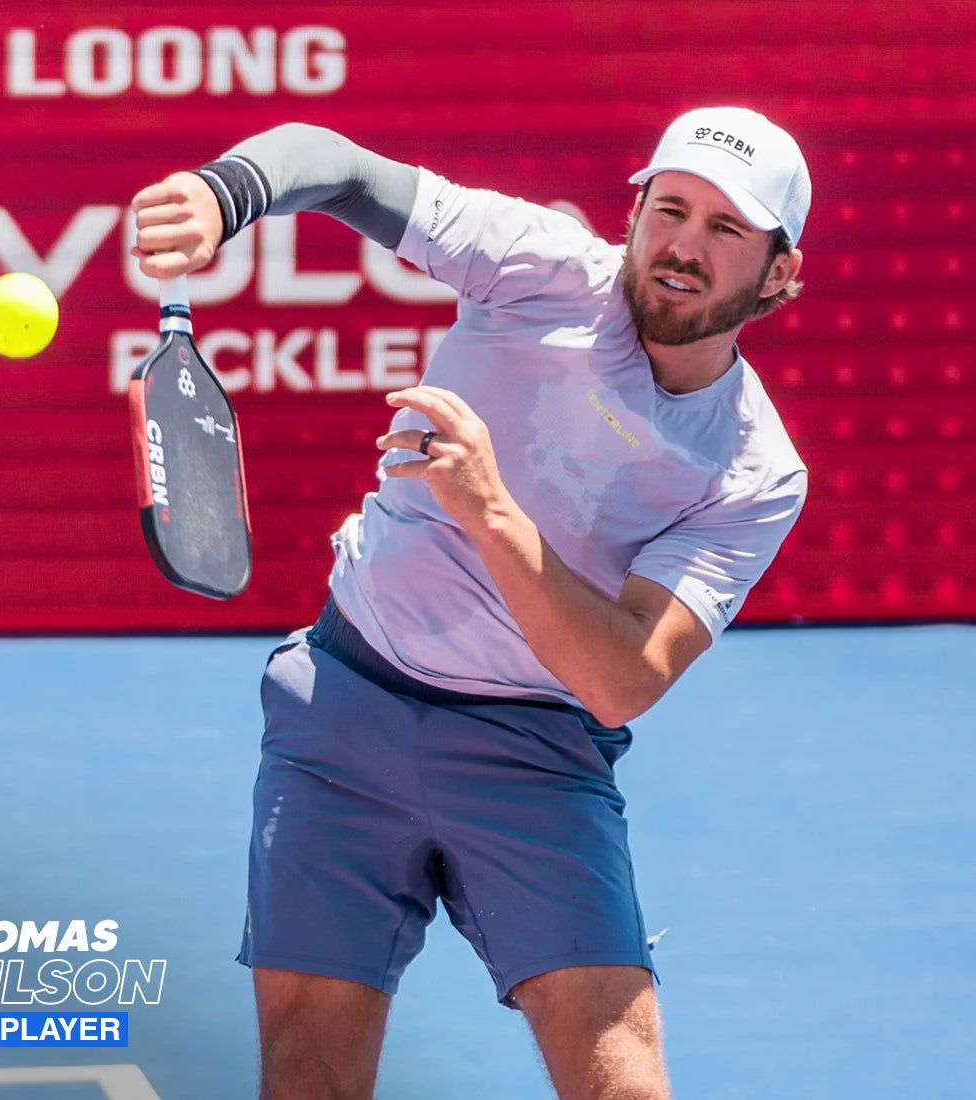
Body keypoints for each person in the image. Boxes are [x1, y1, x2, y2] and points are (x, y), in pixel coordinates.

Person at [131, 106, 810, 1100]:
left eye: (723, 229)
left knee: (619, 1080)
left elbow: (620, 679)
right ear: (634, 214)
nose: (681, 245)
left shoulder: (753, 473)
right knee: (308, 1071)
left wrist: (489, 510)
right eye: (669, 210)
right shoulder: (538, 265)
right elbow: (334, 165)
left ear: (779, 273)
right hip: (345, 709)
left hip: (535, 754)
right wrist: (220, 192)